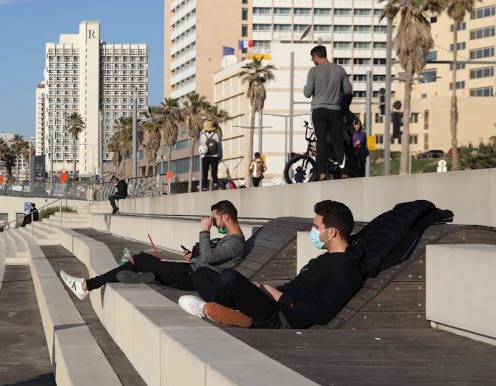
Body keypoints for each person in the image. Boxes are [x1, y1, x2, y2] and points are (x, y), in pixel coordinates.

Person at [179, 200, 363, 329]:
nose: (313, 231)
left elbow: (323, 313)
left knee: (229, 277)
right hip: (272, 302)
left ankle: (209, 310)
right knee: (202, 273)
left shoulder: (346, 267)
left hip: (281, 317)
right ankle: (231, 312)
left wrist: (277, 295)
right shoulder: (327, 257)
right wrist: (264, 290)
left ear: (331, 232)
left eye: (316, 227)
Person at [60, 200, 248, 301]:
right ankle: (148, 274)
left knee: (138, 261)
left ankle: (86, 286)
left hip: (191, 277)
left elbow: (209, 257)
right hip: (192, 270)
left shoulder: (235, 243)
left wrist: (204, 230)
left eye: (214, 220)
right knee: (142, 257)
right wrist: (193, 257)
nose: (213, 223)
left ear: (225, 217)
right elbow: (209, 259)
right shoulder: (230, 240)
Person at [304, 45, 353, 181]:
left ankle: (322, 173)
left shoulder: (313, 71)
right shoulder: (340, 70)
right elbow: (348, 90)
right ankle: (344, 172)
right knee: (337, 142)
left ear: (316, 57)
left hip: (318, 110)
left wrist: (309, 88)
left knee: (321, 142)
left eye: (312, 58)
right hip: (335, 111)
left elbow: (307, 93)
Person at [199, 120, 222, 191]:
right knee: (214, 172)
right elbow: (219, 146)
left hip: (205, 156)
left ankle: (204, 186)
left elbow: (201, 147)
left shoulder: (202, 136)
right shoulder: (216, 135)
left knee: (205, 172)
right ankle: (215, 183)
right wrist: (220, 155)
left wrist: (202, 156)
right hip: (215, 156)